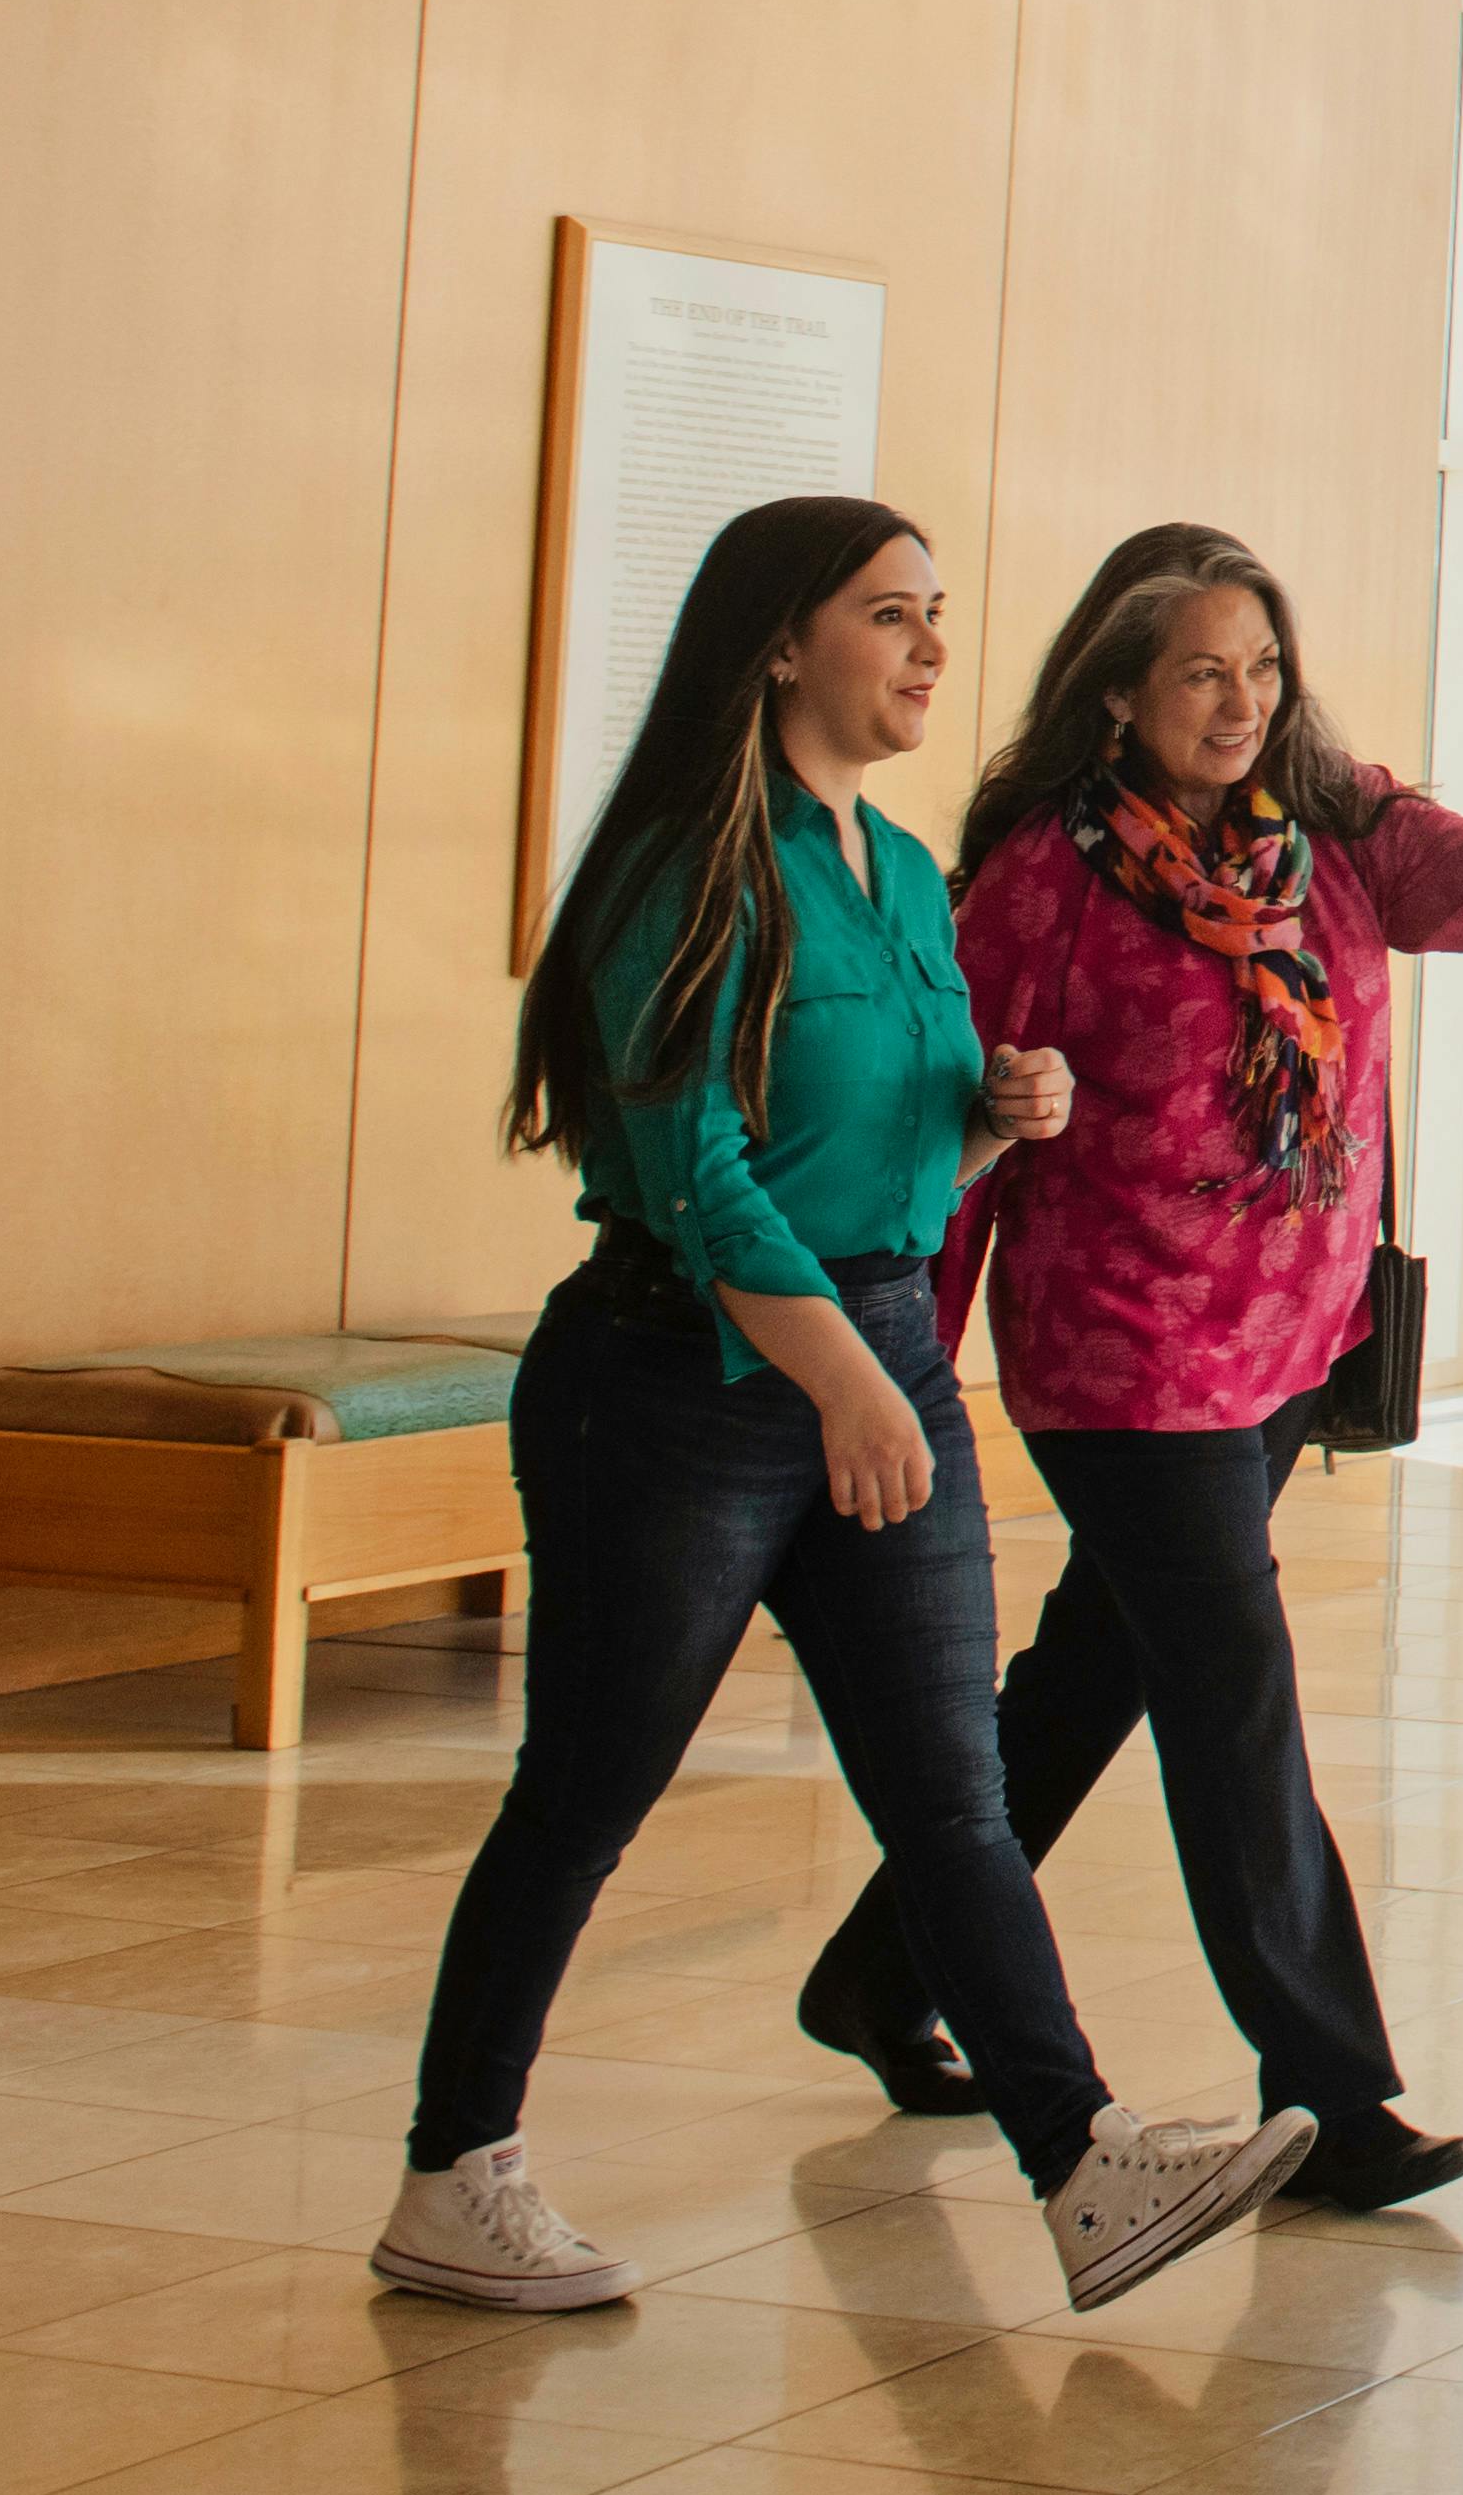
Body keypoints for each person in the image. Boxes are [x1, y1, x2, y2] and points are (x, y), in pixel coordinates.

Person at [382, 494, 1308, 2321]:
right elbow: (701, 1176)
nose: (931, 649)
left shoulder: (893, 870)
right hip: (679, 1388)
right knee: (585, 1791)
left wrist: (996, 1115)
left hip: (869, 1352)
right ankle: (450, 2171)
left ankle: (1080, 2162)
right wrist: (846, 1388)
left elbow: (887, 1155)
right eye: (891, 616)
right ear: (780, 643)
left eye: (935, 614)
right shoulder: (685, 866)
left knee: (950, 1796)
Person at [789, 525, 1463, 2213]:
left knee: (1088, 1682)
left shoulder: (1334, 833)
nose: (1240, 701)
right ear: (1117, 690)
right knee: (1234, 1701)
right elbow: (943, 1117)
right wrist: (903, 1353)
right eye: (1201, 670)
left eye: (1261, 668)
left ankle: (878, 1974)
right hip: (1119, 1358)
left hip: (1283, 1344)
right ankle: (1332, 2093)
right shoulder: (1042, 880)